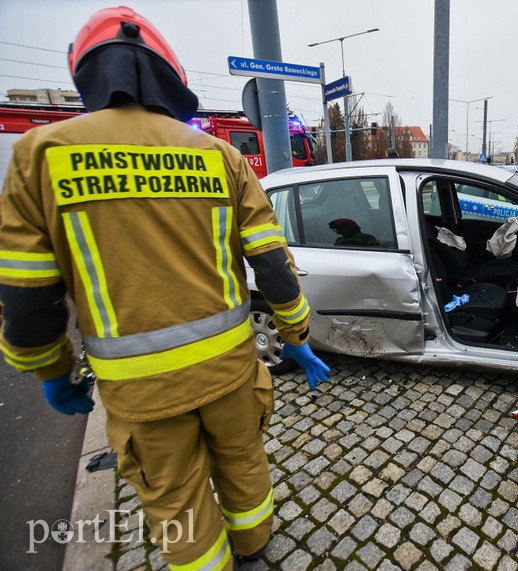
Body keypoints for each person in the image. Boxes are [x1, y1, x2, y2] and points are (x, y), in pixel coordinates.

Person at [0, 6, 330, 569]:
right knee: (244, 462)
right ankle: (254, 545)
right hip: (230, 371)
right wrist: (295, 334)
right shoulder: (219, 155)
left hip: (143, 393)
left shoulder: (42, 156)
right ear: (167, 74)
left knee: (176, 496)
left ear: (87, 72)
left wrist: (52, 373)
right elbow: (272, 264)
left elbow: (28, 298)